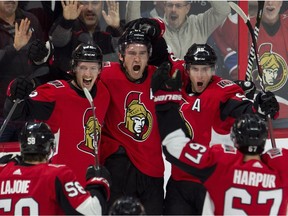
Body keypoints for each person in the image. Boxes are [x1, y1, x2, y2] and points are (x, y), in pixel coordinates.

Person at [151, 43, 279, 215]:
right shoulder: (178, 76)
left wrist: (261, 108)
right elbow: (161, 55)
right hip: (178, 183)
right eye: (195, 69)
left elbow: (243, 108)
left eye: (206, 69)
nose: (200, 74)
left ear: (213, 70)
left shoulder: (222, 92)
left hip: (209, 184)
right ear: (187, 69)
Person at [153, 86, 288, 216]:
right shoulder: (282, 167)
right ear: (264, 140)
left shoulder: (223, 165)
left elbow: (174, 145)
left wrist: (165, 104)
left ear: (235, 139)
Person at [3, 43, 109, 186]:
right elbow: (17, 112)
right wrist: (14, 93)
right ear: (74, 68)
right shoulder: (56, 93)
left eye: (93, 68)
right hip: (60, 184)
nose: (88, 73)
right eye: (83, 67)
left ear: (100, 69)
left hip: (90, 184)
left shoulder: (103, 93)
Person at [97, 29, 165, 214]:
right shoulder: (106, 74)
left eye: (142, 53)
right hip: (119, 161)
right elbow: (78, 75)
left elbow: (191, 71)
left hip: (152, 164)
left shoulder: (159, 76)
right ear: (121, 55)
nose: (137, 59)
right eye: (132, 53)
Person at [0, 121, 110, 215]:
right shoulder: (57, 174)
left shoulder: (3, 172)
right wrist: (97, 184)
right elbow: (93, 211)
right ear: (51, 147)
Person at [212, 0, 288, 132]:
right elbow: (220, 35)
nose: (270, 2)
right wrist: (239, 71)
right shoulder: (241, 26)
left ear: (282, 2)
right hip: (255, 109)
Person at [0, 0, 44, 142]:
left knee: (30, 161)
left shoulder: (31, 20)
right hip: (2, 113)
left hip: (29, 111)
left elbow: (43, 61)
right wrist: (14, 48)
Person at [125, 0, 231, 59]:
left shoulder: (199, 23)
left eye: (178, 6)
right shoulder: (156, 26)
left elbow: (223, 10)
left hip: (193, 87)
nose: (173, 10)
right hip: (164, 88)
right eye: (170, 5)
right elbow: (134, 25)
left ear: (187, 8)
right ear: (165, 7)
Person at [49, 0, 124, 72]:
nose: (90, 8)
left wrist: (116, 29)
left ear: (102, 5)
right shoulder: (67, 25)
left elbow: (124, 54)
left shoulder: (110, 28)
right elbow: (57, 42)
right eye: (84, 2)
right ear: (76, 3)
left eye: (95, 2)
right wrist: (66, 22)